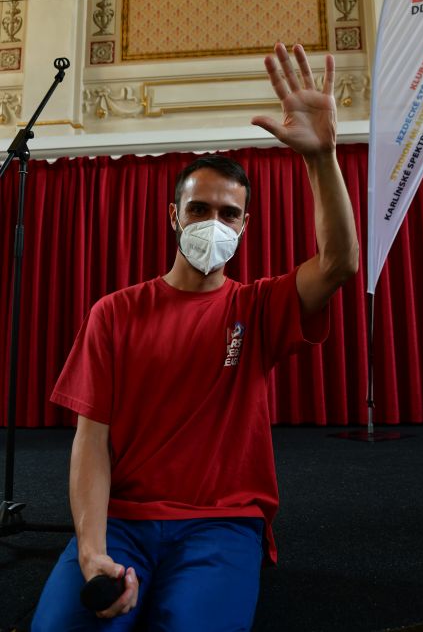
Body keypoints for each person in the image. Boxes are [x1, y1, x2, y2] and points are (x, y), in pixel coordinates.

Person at [31, 43, 359, 631]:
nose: (213, 223)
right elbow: (90, 443)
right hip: (122, 520)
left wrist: (321, 158)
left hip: (221, 521)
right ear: (173, 216)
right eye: (199, 208)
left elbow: (339, 264)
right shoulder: (115, 312)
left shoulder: (257, 307)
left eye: (228, 214)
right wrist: (92, 550)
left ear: (244, 225)